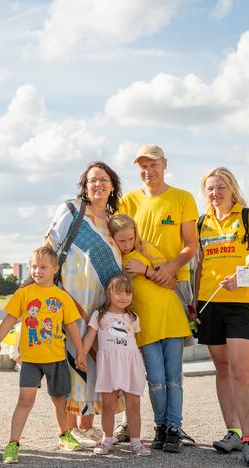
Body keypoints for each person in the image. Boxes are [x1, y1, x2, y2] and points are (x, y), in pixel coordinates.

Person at [117, 144, 198, 448]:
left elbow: (190, 245)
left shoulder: (182, 198)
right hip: (140, 293)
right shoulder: (128, 201)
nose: (148, 171)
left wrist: (171, 268)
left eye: (153, 165)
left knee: (173, 371)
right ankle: (153, 425)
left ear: (165, 164)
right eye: (142, 166)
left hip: (173, 286)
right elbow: (119, 243)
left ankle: (173, 428)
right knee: (151, 371)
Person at [44, 161, 123, 447]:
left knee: (94, 361)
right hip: (71, 299)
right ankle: (68, 431)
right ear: (85, 186)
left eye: (103, 179)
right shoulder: (71, 210)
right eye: (92, 180)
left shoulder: (115, 222)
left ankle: (87, 427)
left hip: (101, 305)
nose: (98, 184)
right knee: (70, 359)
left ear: (112, 185)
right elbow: (49, 246)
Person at [193, 167, 249, 468]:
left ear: (233, 188)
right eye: (210, 188)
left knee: (240, 371)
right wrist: (193, 304)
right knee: (222, 369)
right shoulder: (201, 222)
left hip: (241, 305)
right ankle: (232, 432)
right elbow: (199, 265)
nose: (215, 193)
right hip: (208, 304)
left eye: (221, 187)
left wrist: (241, 278)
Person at [108, 214, 192, 452]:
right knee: (155, 379)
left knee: (173, 378)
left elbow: (171, 281)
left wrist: (144, 269)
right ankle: (160, 427)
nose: (127, 245)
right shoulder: (114, 260)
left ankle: (173, 429)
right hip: (144, 327)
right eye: (121, 241)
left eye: (130, 239)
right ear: (113, 240)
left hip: (170, 318)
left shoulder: (146, 251)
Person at [0, 247, 87, 464]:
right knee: (25, 400)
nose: (37, 271)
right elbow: (9, 320)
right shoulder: (23, 294)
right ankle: (13, 444)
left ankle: (64, 435)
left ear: (55, 269)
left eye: (43, 267)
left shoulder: (62, 296)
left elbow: (72, 326)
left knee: (59, 400)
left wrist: (81, 353)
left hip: (56, 358)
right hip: (30, 360)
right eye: (34, 267)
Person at [82, 273, 150, 456]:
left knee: (134, 405)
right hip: (109, 365)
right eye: (119, 292)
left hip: (130, 364)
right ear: (109, 293)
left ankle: (136, 442)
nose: (123, 297)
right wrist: (81, 354)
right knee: (109, 406)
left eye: (128, 293)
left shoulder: (133, 317)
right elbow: (89, 337)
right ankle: (107, 439)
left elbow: (134, 342)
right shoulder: (99, 315)